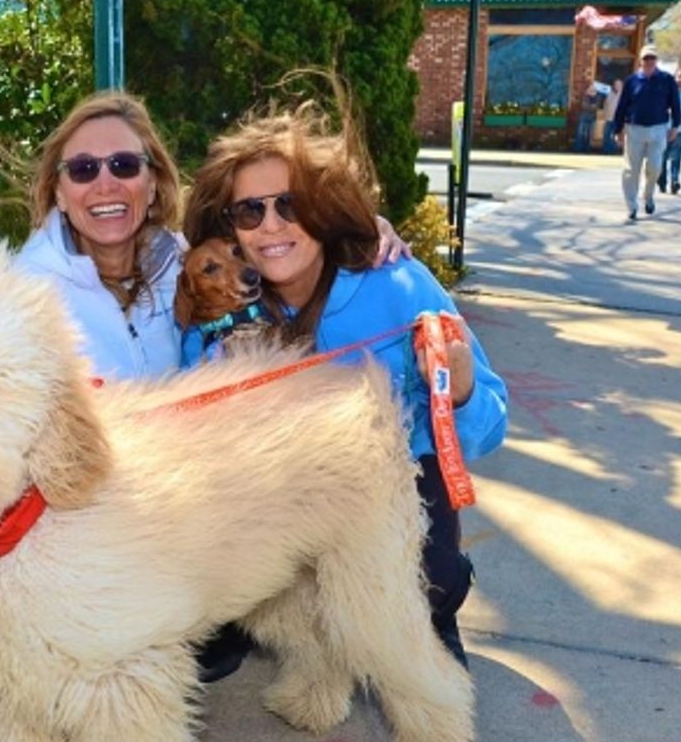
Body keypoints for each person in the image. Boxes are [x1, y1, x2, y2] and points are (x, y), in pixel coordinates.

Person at [16, 90, 411, 678]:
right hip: (83, 522)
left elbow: (270, 252)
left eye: (125, 165)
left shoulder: (175, 257)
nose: (105, 183)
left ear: (152, 184)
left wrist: (360, 232)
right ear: (57, 189)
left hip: (185, 500)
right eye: (83, 169)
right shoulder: (23, 293)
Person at [182, 98, 509, 668]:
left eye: (291, 204)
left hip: (388, 482)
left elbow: (488, 430)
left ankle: (436, 602)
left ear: (322, 208)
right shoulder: (215, 322)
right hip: (282, 492)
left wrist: (458, 392)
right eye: (249, 212)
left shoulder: (398, 287)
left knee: (426, 581)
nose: (272, 225)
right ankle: (256, 623)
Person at [612, 45, 681, 220]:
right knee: (631, 170)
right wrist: (618, 129)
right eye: (646, 58)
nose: (649, 62)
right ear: (640, 61)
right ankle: (631, 205)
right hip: (634, 128)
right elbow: (621, 107)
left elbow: (675, 105)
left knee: (655, 167)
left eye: (652, 58)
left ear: (656, 60)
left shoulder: (667, 80)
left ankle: (648, 195)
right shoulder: (632, 81)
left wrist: (675, 127)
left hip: (658, 129)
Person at [657, 67, 681, 194]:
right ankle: (662, 181)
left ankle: (675, 181)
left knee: (676, 158)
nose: (680, 79)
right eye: (678, 76)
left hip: (680, 130)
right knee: (663, 157)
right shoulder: (666, 92)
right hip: (665, 128)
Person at [574, 81, 601, 153]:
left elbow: (596, 107)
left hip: (592, 117)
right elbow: (584, 106)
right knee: (581, 133)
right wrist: (591, 106)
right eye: (591, 88)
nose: (592, 90)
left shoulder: (597, 97)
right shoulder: (585, 96)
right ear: (588, 89)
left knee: (589, 134)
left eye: (594, 88)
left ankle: (587, 150)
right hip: (584, 116)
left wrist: (591, 106)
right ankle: (578, 149)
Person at [600, 78, 623, 154]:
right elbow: (606, 105)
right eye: (616, 84)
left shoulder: (624, 95)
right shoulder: (609, 94)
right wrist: (605, 114)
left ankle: (613, 151)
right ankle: (605, 150)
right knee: (606, 134)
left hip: (618, 119)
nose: (618, 86)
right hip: (608, 118)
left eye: (619, 84)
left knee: (614, 136)